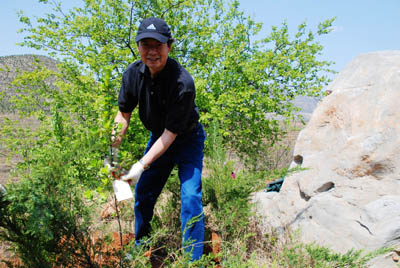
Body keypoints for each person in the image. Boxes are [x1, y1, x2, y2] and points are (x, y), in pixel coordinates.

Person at [110, 17, 206, 261]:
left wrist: (141, 165)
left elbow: (171, 134)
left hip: (187, 139)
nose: (152, 52)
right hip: (158, 137)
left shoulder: (183, 83)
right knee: (143, 193)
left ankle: (192, 262)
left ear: (169, 47)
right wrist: (112, 151)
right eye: (146, 45)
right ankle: (141, 247)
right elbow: (123, 114)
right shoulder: (132, 74)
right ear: (138, 46)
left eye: (158, 45)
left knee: (191, 196)